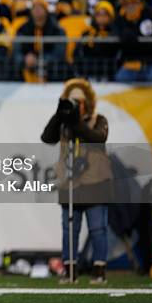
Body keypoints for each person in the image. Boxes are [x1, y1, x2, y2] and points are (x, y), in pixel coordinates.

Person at [41, 78, 110, 284]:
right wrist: (58, 114)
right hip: (69, 183)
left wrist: (76, 121)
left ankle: (99, 270)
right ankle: (69, 269)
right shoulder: (63, 123)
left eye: (79, 102)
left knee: (98, 228)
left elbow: (97, 138)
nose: (75, 105)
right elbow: (47, 137)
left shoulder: (98, 119)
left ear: (87, 102)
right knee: (69, 228)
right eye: (71, 101)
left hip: (95, 182)